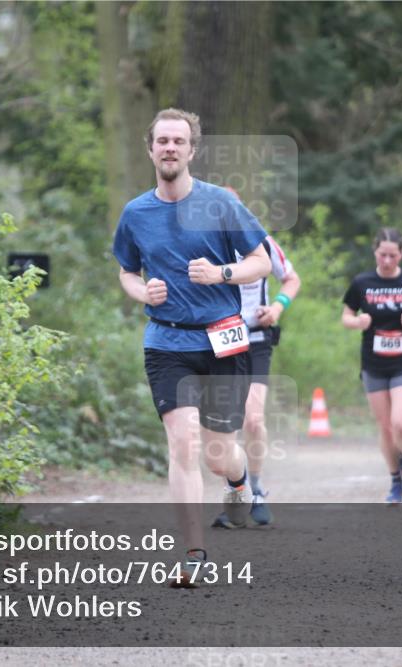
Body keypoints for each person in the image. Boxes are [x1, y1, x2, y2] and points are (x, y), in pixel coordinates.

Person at [112, 108, 271, 587]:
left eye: (178, 141)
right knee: (182, 443)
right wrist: (144, 292)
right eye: (162, 141)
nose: (169, 148)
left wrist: (222, 273)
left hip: (223, 339)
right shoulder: (136, 212)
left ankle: (241, 484)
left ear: (192, 149)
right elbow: (126, 270)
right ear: (150, 148)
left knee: (218, 453)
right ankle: (194, 552)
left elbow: (261, 262)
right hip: (166, 340)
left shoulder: (220, 203)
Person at [212, 228, 301, 528]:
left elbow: (292, 279)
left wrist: (277, 307)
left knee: (252, 418)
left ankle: (258, 489)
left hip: (256, 340)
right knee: (224, 425)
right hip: (219, 340)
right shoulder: (206, 242)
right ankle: (238, 490)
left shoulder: (260, 241)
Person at [342, 228, 402, 505]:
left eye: (393, 255)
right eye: (382, 254)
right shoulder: (362, 282)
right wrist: (357, 322)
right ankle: (396, 479)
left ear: (401, 255)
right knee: (385, 427)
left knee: (401, 425)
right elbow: (346, 315)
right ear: (375, 252)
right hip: (373, 364)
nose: (386, 261)